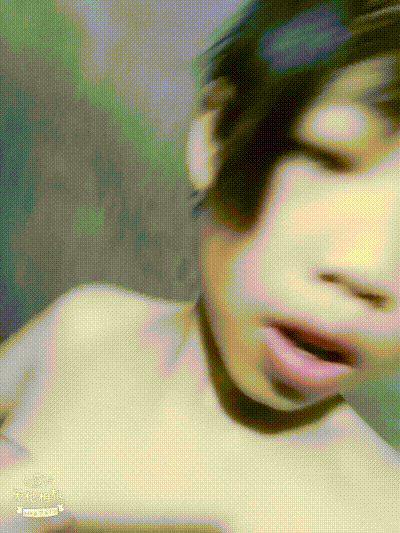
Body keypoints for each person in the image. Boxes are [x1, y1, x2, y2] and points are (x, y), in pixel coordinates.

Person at [0, 0, 398, 531]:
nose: (368, 270)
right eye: (322, 159)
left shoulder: (376, 513)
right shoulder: (84, 326)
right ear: (215, 139)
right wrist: (36, 503)